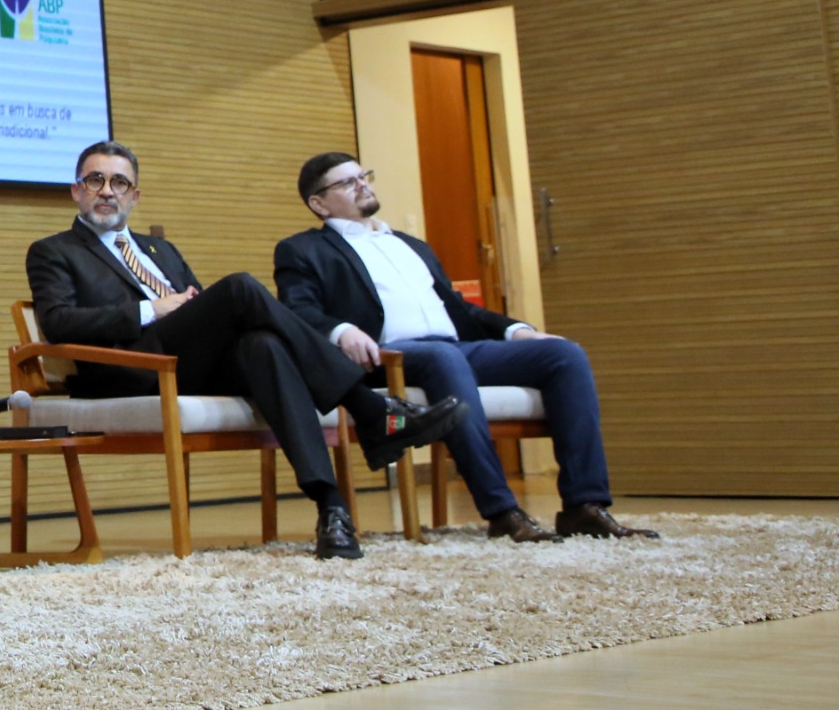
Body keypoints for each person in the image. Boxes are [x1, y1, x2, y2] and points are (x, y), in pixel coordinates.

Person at [25, 140, 467, 559]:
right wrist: (150, 309)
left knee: (264, 346)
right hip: (127, 368)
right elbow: (59, 322)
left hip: (184, 365)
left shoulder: (161, 249)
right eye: (95, 180)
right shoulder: (53, 251)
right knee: (239, 287)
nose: (107, 191)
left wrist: (189, 309)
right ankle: (370, 409)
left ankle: (331, 508)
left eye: (119, 182)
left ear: (134, 196)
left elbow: (201, 311)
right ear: (76, 191)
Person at [275, 152, 654, 541]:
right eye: (347, 182)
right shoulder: (303, 249)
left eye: (363, 176)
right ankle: (502, 511)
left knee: (564, 354)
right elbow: (297, 309)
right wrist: (342, 331)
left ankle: (584, 506)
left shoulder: (410, 245)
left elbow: (459, 309)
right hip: (388, 357)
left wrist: (517, 331)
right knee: (444, 357)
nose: (362, 185)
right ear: (319, 204)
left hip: (454, 349)